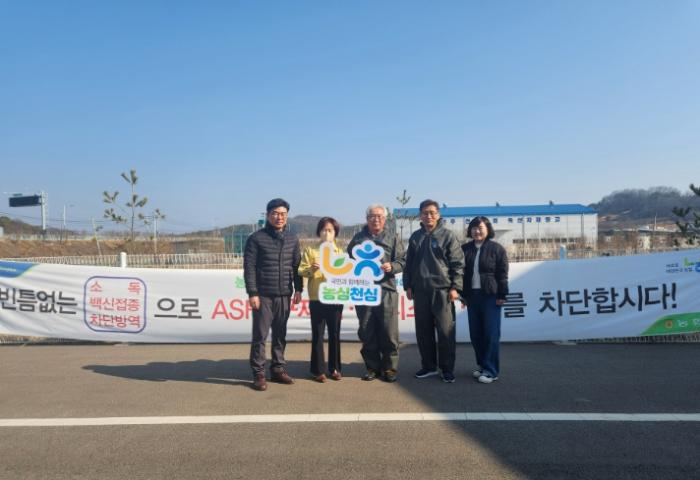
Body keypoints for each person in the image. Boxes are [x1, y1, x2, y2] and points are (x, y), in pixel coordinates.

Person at [244, 198, 303, 391]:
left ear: (287, 216)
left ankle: (278, 369)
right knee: (260, 336)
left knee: (280, 334)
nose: (279, 217)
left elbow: (297, 266)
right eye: (275, 213)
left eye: (283, 214)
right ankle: (258, 373)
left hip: (284, 294)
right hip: (263, 295)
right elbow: (249, 268)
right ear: (268, 215)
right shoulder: (256, 238)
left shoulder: (292, 239)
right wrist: (253, 293)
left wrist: (299, 289)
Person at [403, 199, 464, 383]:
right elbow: (409, 264)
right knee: (423, 332)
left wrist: (455, 287)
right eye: (425, 213)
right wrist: (408, 285)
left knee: (446, 332)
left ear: (438, 215)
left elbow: (458, 264)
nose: (428, 216)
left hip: (442, 291)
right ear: (420, 216)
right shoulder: (415, 237)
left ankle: (447, 369)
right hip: (420, 291)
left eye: (432, 212)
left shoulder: (448, 236)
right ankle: (428, 366)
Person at [347, 204, 406, 382]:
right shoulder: (358, 239)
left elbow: (403, 260)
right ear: (367, 219)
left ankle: (390, 368)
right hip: (364, 291)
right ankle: (372, 367)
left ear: (385, 219)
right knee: (367, 330)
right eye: (372, 216)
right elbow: (348, 262)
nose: (376, 219)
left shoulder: (393, 237)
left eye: (379, 216)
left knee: (389, 331)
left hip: (386, 289)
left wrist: (392, 266)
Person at [461, 216, 509, 384]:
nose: (477, 231)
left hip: (490, 296)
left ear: (488, 230)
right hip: (472, 296)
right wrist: (462, 295)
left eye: (480, 228)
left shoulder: (497, 249)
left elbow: (502, 274)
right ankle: (483, 365)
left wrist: (502, 295)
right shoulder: (465, 249)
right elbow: (461, 274)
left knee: (490, 334)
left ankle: (491, 370)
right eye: (474, 228)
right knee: (476, 334)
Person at [298, 217, 344, 383]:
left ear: (335, 233)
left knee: (335, 333)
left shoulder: (340, 252)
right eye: (324, 230)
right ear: (319, 232)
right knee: (318, 334)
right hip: (317, 297)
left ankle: (335, 368)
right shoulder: (311, 250)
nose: (327, 233)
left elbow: (346, 274)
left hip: (335, 297)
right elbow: (301, 270)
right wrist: (311, 269)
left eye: (330, 230)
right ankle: (317, 370)